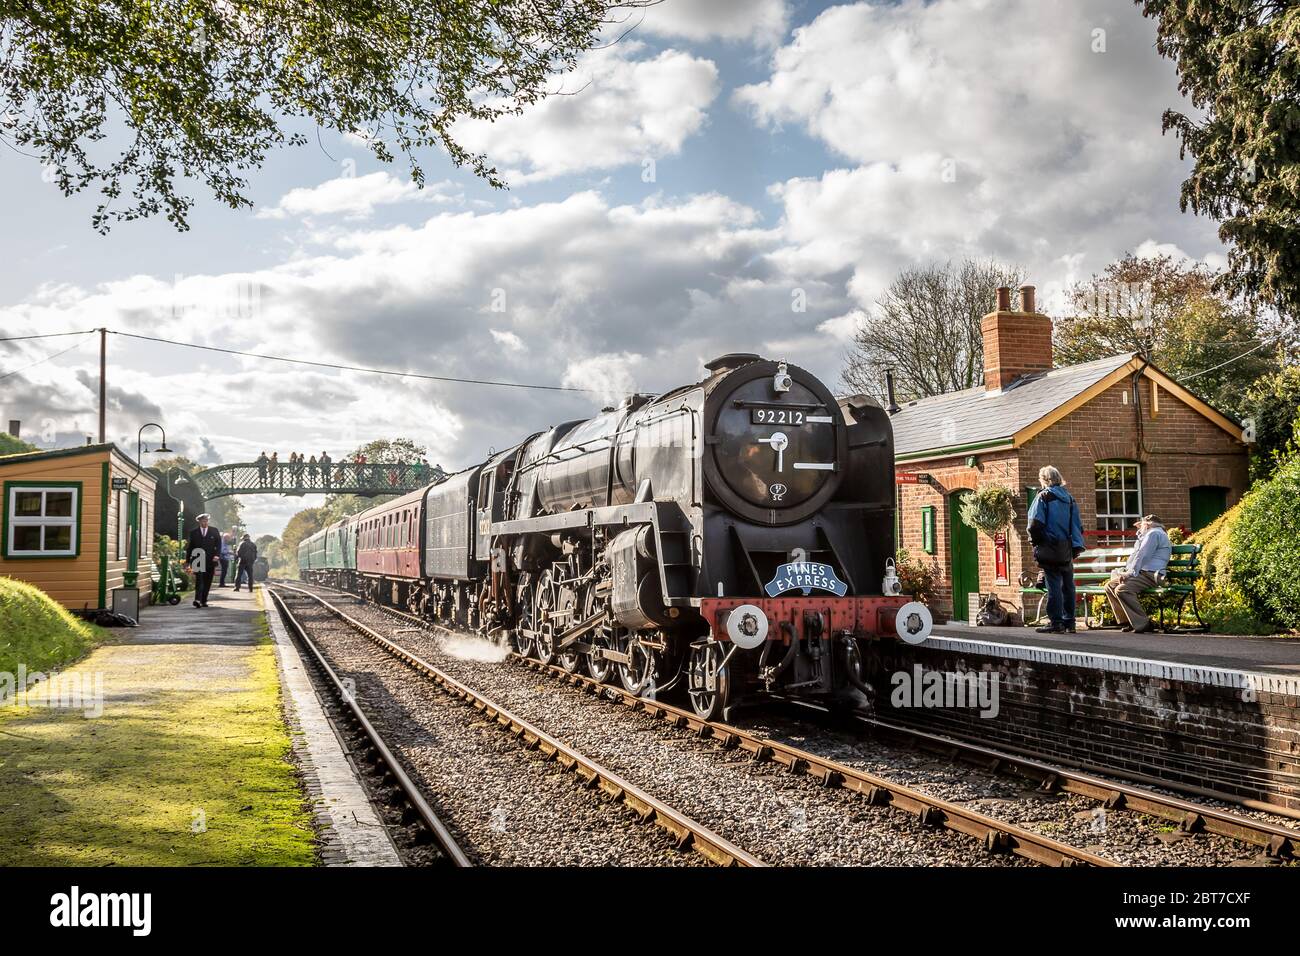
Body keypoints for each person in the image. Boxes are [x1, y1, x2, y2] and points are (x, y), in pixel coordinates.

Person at [1026, 465, 1085, 634]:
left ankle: (1056, 622)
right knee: (1068, 585)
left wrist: (1036, 543)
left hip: (1049, 545)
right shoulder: (1069, 498)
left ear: (1044, 480)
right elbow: (1077, 526)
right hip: (1067, 547)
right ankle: (1070, 622)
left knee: (1053, 585)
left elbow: (1035, 524)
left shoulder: (1043, 496)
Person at [1104, 515, 1172, 633]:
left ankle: (1143, 624)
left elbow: (1143, 556)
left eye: (1141, 525)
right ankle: (1128, 621)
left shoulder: (1153, 534)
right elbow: (1137, 556)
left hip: (1152, 575)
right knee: (1110, 586)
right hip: (1143, 574)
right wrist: (1126, 573)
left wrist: (1129, 574)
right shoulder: (1148, 535)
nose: (1139, 529)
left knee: (1122, 589)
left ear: (1148, 524)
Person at [185, 513, 222, 608]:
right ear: (199, 522)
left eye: (206, 520)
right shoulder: (194, 532)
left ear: (208, 521)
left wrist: (217, 555)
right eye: (202, 521)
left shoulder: (214, 531)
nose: (204, 522)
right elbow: (190, 547)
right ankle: (197, 599)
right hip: (198, 560)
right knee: (199, 580)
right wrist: (187, 561)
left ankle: (204, 600)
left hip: (211, 560)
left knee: (207, 581)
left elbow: (218, 545)